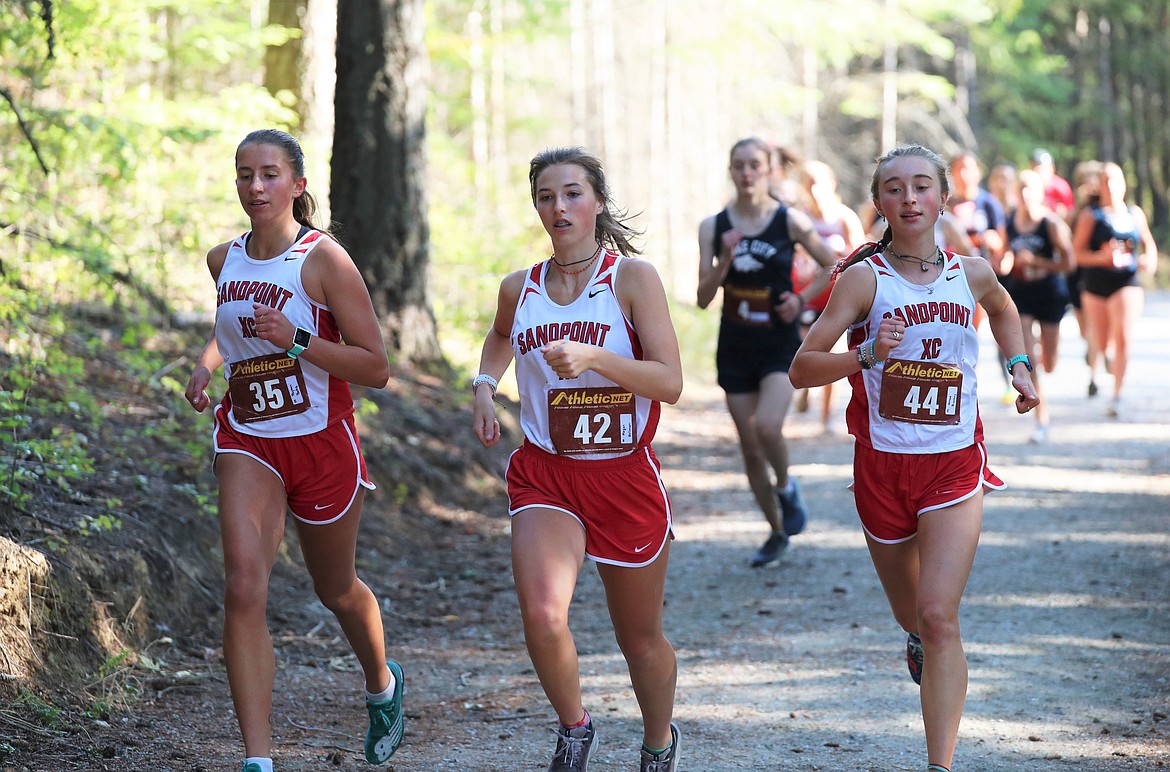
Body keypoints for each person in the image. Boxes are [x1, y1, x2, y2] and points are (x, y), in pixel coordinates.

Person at [789, 144, 1039, 772]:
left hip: (954, 461)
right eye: (894, 188)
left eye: (922, 186)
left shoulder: (972, 273)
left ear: (942, 198)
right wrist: (867, 354)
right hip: (882, 465)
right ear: (879, 203)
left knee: (938, 615)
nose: (909, 198)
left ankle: (939, 765)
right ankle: (916, 639)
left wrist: (1020, 370)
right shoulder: (863, 280)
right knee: (913, 616)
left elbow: (1005, 312)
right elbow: (802, 369)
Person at [184, 129, 402, 772]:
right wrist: (205, 365)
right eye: (245, 175)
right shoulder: (224, 259)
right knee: (244, 587)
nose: (256, 187)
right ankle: (258, 760)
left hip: (321, 443)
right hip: (247, 438)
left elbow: (375, 366)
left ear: (297, 185)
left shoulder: (323, 261)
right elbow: (231, 329)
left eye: (270, 174)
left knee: (336, 589)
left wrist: (300, 341)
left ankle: (381, 685)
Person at [472, 146, 683, 772]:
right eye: (545, 197)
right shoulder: (521, 287)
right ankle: (574, 727)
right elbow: (500, 340)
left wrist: (596, 360)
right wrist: (484, 385)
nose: (558, 207)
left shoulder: (631, 279)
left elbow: (669, 381)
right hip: (547, 471)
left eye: (571, 194)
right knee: (542, 613)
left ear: (596, 202)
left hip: (623, 474)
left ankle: (658, 743)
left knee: (639, 641)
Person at [697, 137, 838, 568]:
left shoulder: (789, 220)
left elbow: (834, 263)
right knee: (749, 447)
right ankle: (777, 532)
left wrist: (802, 299)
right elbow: (702, 297)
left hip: (778, 343)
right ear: (730, 170)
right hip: (736, 345)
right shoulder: (714, 227)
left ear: (768, 170)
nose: (746, 173)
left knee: (768, 426)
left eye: (754, 165)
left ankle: (785, 485)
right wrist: (723, 261)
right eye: (738, 165)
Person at [1070, 161, 1158, 417]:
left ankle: (1117, 395)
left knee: (1123, 338)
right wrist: (1102, 258)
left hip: (1126, 281)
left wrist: (1148, 261)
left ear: (1123, 184)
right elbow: (1078, 254)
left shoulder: (1134, 213)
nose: (1110, 186)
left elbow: (1149, 246)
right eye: (1105, 181)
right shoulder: (1091, 215)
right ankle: (1103, 359)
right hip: (1096, 285)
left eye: (1114, 180)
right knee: (1102, 340)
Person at [791, 160, 867, 435]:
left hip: (837, 294)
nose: (813, 191)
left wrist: (839, 253)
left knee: (832, 352)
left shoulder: (843, 217)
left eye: (818, 184)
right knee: (804, 346)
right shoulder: (799, 217)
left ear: (831, 185)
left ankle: (825, 417)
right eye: (808, 185)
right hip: (808, 293)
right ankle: (805, 390)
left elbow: (863, 254)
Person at [1004, 168, 1076, 443]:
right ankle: (1041, 420)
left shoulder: (1051, 224)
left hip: (1050, 295)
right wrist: (1006, 262)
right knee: (1029, 359)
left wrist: (1037, 263)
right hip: (1020, 295)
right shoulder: (1009, 222)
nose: (1024, 194)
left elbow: (1070, 264)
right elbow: (1003, 255)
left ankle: (1045, 369)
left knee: (1050, 362)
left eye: (1029, 189)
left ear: (1040, 193)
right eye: (1020, 188)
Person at [1030, 148, 1075, 224]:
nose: (1039, 170)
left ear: (1052, 168)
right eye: (1036, 166)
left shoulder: (1061, 187)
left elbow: (1070, 211)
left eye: (1043, 167)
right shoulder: (1028, 186)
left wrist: (1063, 214)